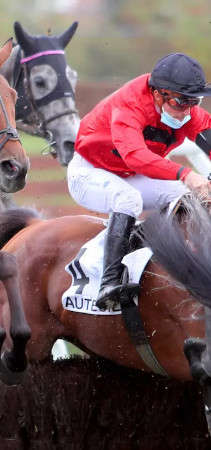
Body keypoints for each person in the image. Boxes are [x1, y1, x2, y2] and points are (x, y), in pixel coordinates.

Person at [67, 52, 211, 310]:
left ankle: (142, 243)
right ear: (157, 94)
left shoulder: (183, 109)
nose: (187, 111)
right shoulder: (129, 105)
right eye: (180, 102)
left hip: (129, 175)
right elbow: (135, 157)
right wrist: (186, 174)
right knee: (128, 198)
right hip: (89, 172)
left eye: (194, 102)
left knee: (184, 196)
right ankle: (109, 284)